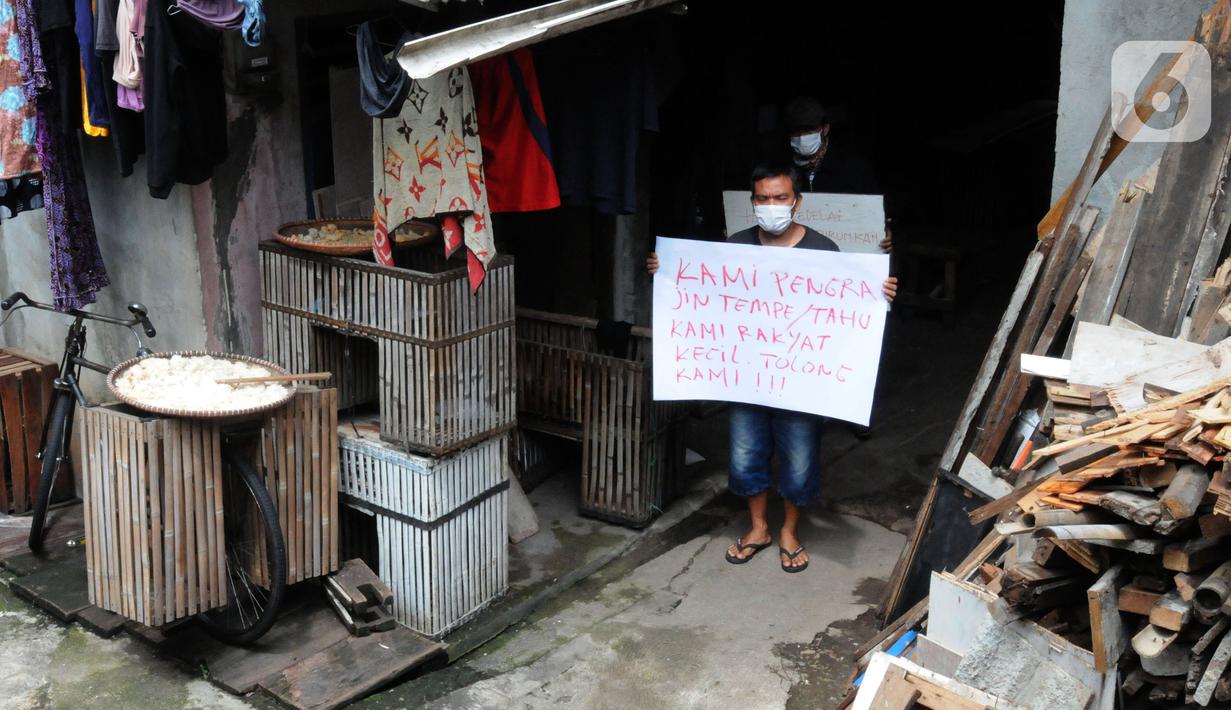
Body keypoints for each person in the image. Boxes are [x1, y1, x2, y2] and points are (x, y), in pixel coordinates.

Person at [646, 163, 898, 572]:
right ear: (753, 203)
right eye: (763, 199)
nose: (771, 206)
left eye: (780, 198)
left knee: (799, 461)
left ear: (796, 202)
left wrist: (878, 292)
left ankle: (790, 531)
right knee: (746, 457)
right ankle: (759, 527)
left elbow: (844, 311)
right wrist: (668, 273)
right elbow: (709, 296)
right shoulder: (735, 247)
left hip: (802, 382)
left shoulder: (823, 250)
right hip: (748, 380)